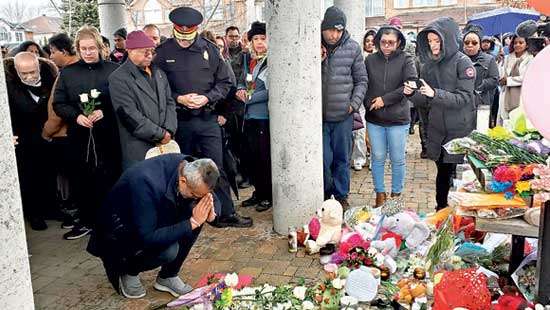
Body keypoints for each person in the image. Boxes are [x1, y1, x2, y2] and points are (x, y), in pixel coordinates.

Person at [154, 7, 252, 228]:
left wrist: (207, 98)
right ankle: (183, 216)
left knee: (216, 167)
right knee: (182, 168)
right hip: (179, 121)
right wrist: (179, 99)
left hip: (207, 120)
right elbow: (156, 88)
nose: (185, 39)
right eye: (181, 34)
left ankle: (224, 213)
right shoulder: (162, 53)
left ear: (196, 30)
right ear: (174, 29)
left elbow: (226, 82)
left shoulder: (209, 50)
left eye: (189, 34)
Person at [87, 154, 220, 298]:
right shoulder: (145, 182)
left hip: (154, 217)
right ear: (183, 181)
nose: (196, 197)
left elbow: (211, 196)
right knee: (170, 250)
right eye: (194, 194)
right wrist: (192, 222)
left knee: (198, 213)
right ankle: (128, 269)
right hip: (121, 231)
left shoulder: (195, 168)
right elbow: (147, 236)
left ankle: (168, 275)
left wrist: (211, 215)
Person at [53, 26, 122, 240]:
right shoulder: (68, 73)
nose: (88, 52)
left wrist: (105, 111)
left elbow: (123, 101)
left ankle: (113, 219)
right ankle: (87, 221)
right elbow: (59, 103)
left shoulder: (114, 70)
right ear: (78, 49)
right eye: (83, 49)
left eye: (92, 48)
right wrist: (76, 116)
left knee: (110, 177)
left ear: (100, 48)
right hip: (80, 136)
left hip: (108, 135)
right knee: (82, 180)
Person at [407, 17, 476, 211]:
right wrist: (412, 95)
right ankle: (441, 211)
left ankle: (458, 215)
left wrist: (435, 93)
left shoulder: (463, 63)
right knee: (442, 174)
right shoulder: (427, 65)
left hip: (458, 130)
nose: (433, 45)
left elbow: (463, 98)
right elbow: (427, 101)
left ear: (448, 39)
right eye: (429, 41)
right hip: (437, 128)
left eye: (437, 41)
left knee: (457, 176)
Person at [321, 6, 368, 208]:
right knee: (323, 159)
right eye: (331, 30)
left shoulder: (353, 48)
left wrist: (353, 104)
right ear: (323, 28)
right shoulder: (311, 46)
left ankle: (341, 196)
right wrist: (318, 60)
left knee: (341, 158)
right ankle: (325, 193)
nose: (334, 35)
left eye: (339, 31)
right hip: (319, 117)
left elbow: (362, 80)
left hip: (343, 116)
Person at [4, 52, 58, 230]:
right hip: (23, 135)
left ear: (39, 67)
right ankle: (34, 213)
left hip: (48, 132)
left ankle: (51, 208)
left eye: (32, 72)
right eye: (24, 74)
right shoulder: (8, 83)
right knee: (29, 176)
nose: (29, 77)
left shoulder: (51, 75)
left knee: (48, 172)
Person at [364, 26, 417, 207]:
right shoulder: (370, 60)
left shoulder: (406, 59)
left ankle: (396, 196)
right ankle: (380, 194)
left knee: (397, 158)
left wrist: (384, 100)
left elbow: (409, 84)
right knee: (377, 157)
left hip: (398, 118)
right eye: (383, 42)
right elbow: (363, 83)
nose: (387, 46)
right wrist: (368, 103)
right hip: (375, 119)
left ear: (399, 42)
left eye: (391, 42)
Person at [109, 31, 177, 170]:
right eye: (143, 51)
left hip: (166, 144)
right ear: (129, 51)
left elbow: (170, 103)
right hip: (139, 148)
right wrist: (160, 134)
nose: (149, 55)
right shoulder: (118, 78)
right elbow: (129, 115)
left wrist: (169, 130)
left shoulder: (159, 73)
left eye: (151, 51)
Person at [44, 33, 81, 229]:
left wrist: (46, 133)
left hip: (65, 137)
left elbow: (57, 113)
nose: (50, 57)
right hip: (74, 136)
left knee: (71, 181)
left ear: (64, 51)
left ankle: (77, 217)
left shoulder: (67, 75)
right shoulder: (78, 70)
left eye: (52, 52)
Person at [237, 22, 272, 212]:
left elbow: (270, 92)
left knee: (264, 159)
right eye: (255, 39)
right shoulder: (253, 61)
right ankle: (258, 192)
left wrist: (247, 99)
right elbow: (244, 81)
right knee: (252, 159)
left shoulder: (272, 61)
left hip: (263, 117)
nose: (259, 43)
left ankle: (267, 195)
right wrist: (241, 90)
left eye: (263, 38)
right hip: (249, 118)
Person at [462, 25, 499, 128]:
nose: (470, 45)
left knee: (480, 135)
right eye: (467, 42)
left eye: (474, 43)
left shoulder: (489, 60)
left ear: (479, 45)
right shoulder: (457, 60)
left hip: (481, 104)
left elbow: (494, 80)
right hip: (461, 104)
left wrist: (478, 84)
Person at [497, 34, 533, 125]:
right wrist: (500, 62)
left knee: (519, 120)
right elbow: (501, 75)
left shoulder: (530, 59)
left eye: (521, 43)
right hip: (506, 93)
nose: (517, 45)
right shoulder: (507, 58)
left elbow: (527, 77)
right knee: (505, 120)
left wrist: (509, 81)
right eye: (515, 43)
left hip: (521, 94)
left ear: (527, 45)